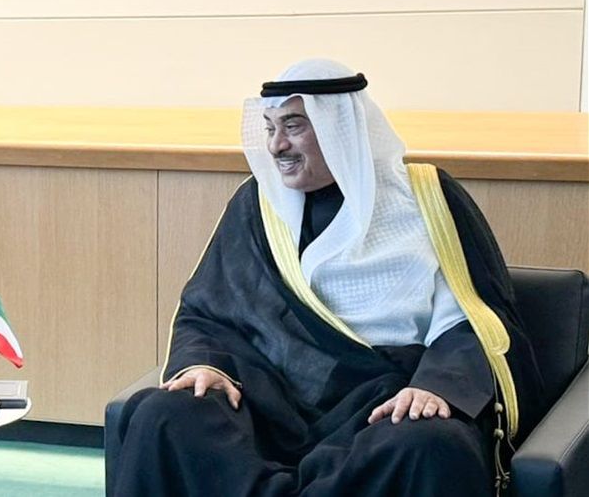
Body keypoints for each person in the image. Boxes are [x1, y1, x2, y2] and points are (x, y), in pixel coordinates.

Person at [112, 60, 546, 496]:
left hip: (385, 399)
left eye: (293, 126)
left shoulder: (428, 199)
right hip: (271, 399)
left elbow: (476, 317)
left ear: (340, 127)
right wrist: (206, 362)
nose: (277, 145)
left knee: (432, 444)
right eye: (270, 128)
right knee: (163, 415)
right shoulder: (257, 205)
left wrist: (434, 387)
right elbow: (210, 310)